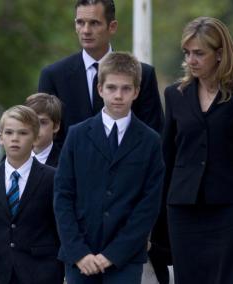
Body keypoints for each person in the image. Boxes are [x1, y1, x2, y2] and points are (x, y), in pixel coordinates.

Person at [53, 52, 165, 284]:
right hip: (79, 256)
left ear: (136, 91)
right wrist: (79, 252)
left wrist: (113, 254)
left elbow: (148, 205)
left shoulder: (150, 141)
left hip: (126, 258)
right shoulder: (77, 135)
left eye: (126, 89)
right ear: (100, 88)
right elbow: (63, 196)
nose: (118, 95)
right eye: (112, 88)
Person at [163, 17, 233, 284]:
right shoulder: (175, 95)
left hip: (232, 209)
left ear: (220, 54)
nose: (191, 60)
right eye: (187, 53)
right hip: (184, 210)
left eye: (199, 53)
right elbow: (167, 157)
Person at [38, 0, 164, 149]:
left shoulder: (144, 74)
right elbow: (45, 137)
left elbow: (154, 135)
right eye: (80, 22)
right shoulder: (53, 76)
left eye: (94, 23)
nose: (86, 30)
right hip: (71, 170)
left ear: (112, 27)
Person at [0, 105, 64, 284]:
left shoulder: (52, 178)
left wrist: (68, 270)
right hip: (1, 274)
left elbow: (63, 227)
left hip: (44, 273)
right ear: (1, 138)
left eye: (23, 133)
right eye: (9, 133)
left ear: (35, 137)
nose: (15, 138)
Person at [25, 92, 63, 167]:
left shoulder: (65, 161)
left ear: (55, 126)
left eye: (42, 122)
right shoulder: (10, 159)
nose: (35, 128)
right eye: (30, 121)